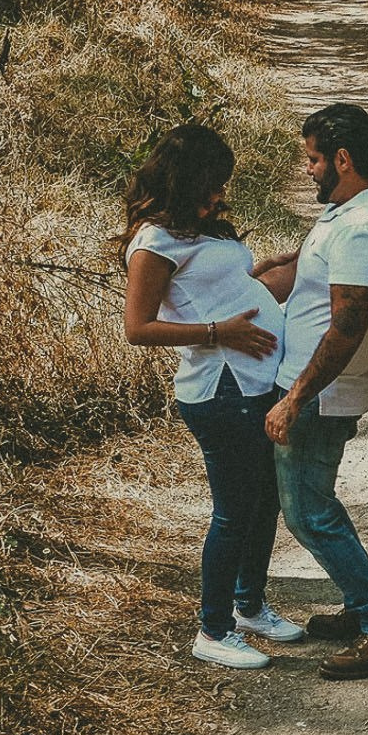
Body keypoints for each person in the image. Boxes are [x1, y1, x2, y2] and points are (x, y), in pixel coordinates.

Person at [120, 122, 308, 670]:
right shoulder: (152, 243)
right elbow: (137, 328)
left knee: (265, 499)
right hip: (220, 389)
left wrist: (260, 274)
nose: (221, 194)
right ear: (186, 181)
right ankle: (213, 628)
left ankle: (250, 606)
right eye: (214, 183)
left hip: (255, 382)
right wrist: (215, 334)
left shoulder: (198, 231)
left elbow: (217, 293)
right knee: (234, 510)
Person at [262, 103, 368, 680]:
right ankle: (361, 605)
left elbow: (347, 325)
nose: (308, 171)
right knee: (316, 504)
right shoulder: (348, 212)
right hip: (312, 387)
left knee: (307, 513)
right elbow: (299, 279)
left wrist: (296, 396)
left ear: (343, 160)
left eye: (313, 160)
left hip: (322, 395)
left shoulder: (360, 230)